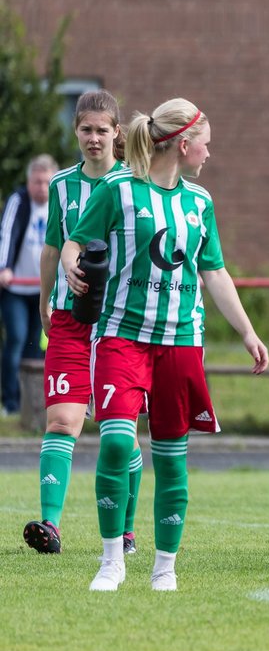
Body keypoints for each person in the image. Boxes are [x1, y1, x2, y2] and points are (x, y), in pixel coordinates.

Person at [63, 98, 269, 591]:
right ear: (183, 143)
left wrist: (247, 332)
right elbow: (77, 239)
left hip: (180, 344)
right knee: (115, 442)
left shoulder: (200, 203)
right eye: (206, 144)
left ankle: (164, 569)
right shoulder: (118, 189)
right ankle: (112, 561)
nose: (208, 153)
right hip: (121, 339)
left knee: (172, 458)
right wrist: (71, 264)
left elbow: (213, 272)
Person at [24, 93, 146, 555]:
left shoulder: (135, 184)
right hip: (71, 322)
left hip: (119, 323)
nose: (93, 139)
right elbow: (54, 245)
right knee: (62, 420)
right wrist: (44, 299)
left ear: (118, 133)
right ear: (75, 131)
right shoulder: (60, 185)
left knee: (121, 433)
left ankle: (127, 528)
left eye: (102, 130)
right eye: (85, 130)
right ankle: (50, 526)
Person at [1, 154, 58, 417]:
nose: (42, 188)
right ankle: (10, 402)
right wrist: (5, 267)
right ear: (28, 181)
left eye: (47, 182)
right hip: (16, 289)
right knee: (16, 338)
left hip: (42, 289)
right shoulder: (19, 202)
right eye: (37, 182)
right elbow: (7, 233)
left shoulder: (58, 204)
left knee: (36, 346)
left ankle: (33, 403)